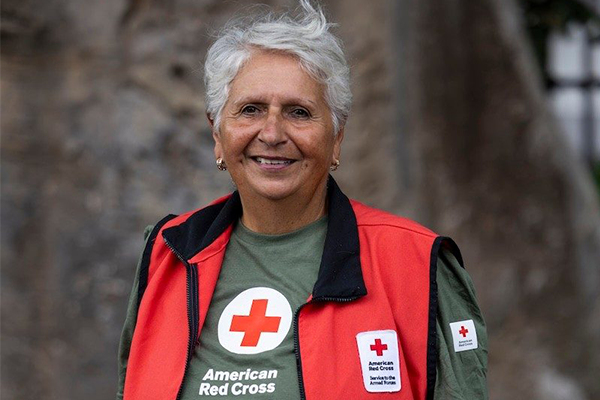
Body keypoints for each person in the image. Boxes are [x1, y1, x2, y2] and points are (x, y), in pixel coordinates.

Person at [116, 1, 488, 399]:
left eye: (299, 112)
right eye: (251, 109)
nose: (272, 133)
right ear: (217, 133)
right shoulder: (167, 253)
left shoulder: (417, 264)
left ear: (337, 136)